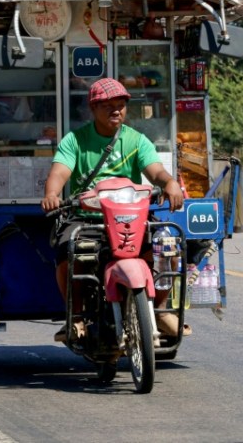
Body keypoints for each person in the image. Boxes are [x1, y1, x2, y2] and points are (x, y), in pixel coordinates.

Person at [41, 77, 184, 342]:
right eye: (108, 106)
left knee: (168, 247)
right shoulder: (75, 140)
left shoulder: (137, 141)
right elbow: (59, 172)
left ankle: (160, 309)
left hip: (132, 218)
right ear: (93, 108)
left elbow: (156, 171)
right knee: (68, 252)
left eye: (120, 105)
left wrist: (170, 183)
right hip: (88, 218)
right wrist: (52, 194)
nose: (116, 110)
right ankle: (76, 316)